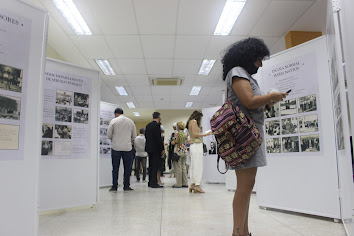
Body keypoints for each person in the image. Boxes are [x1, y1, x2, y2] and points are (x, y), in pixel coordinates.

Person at [222, 38, 287, 236]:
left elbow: (249, 104)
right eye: (258, 59)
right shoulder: (237, 73)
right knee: (245, 185)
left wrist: (266, 103)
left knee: (247, 185)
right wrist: (270, 97)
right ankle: (237, 233)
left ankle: (244, 232)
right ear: (248, 57)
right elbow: (248, 101)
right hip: (245, 137)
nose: (260, 64)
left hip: (250, 135)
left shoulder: (245, 75)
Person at [107, 108, 137, 192]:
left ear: (116, 114)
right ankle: (126, 186)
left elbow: (109, 135)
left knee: (115, 168)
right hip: (127, 148)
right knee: (127, 168)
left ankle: (114, 186)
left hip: (115, 147)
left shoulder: (113, 121)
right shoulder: (130, 121)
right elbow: (134, 135)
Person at [186, 111, 211, 193]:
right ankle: (197, 185)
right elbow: (195, 134)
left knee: (193, 165)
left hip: (193, 145)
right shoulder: (194, 121)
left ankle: (193, 184)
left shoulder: (190, 122)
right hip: (197, 145)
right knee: (198, 165)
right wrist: (205, 135)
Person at [145, 112, 165, 188]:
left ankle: (150, 182)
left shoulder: (148, 125)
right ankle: (154, 183)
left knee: (150, 165)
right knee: (155, 166)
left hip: (149, 148)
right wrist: (162, 149)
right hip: (156, 149)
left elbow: (147, 137)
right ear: (159, 117)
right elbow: (158, 139)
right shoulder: (157, 126)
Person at [171, 121, 188, 188]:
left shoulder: (177, 133)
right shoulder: (185, 133)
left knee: (178, 168)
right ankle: (185, 183)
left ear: (178, 126)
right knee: (183, 167)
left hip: (178, 151)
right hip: (184, 151)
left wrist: (172, 141)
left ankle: (178, 184)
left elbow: (173, 142)